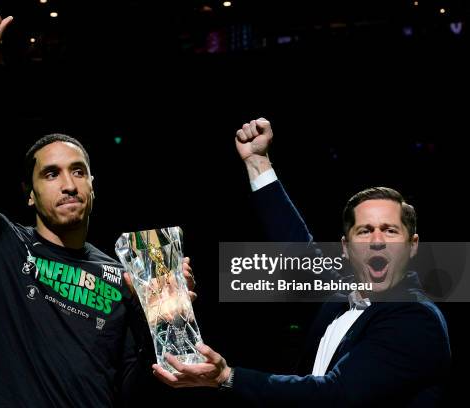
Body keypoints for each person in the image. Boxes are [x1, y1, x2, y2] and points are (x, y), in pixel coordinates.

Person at [0, 5, 195, 407]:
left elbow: (131, 387)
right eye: (51, 174)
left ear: (93, 187)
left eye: (79, 172)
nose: (68, 184)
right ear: (30, 194)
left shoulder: (123, 276)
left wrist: (161, 313)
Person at [152, 118, 451, 406]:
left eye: (389, 230)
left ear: (413, 247)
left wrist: (229, 377)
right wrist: (258, 162)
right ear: (345, 248)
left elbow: (337, 395)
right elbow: (296, 248)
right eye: (364, 231)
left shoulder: (416, 318)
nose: (376, 240)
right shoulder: (342, 298)